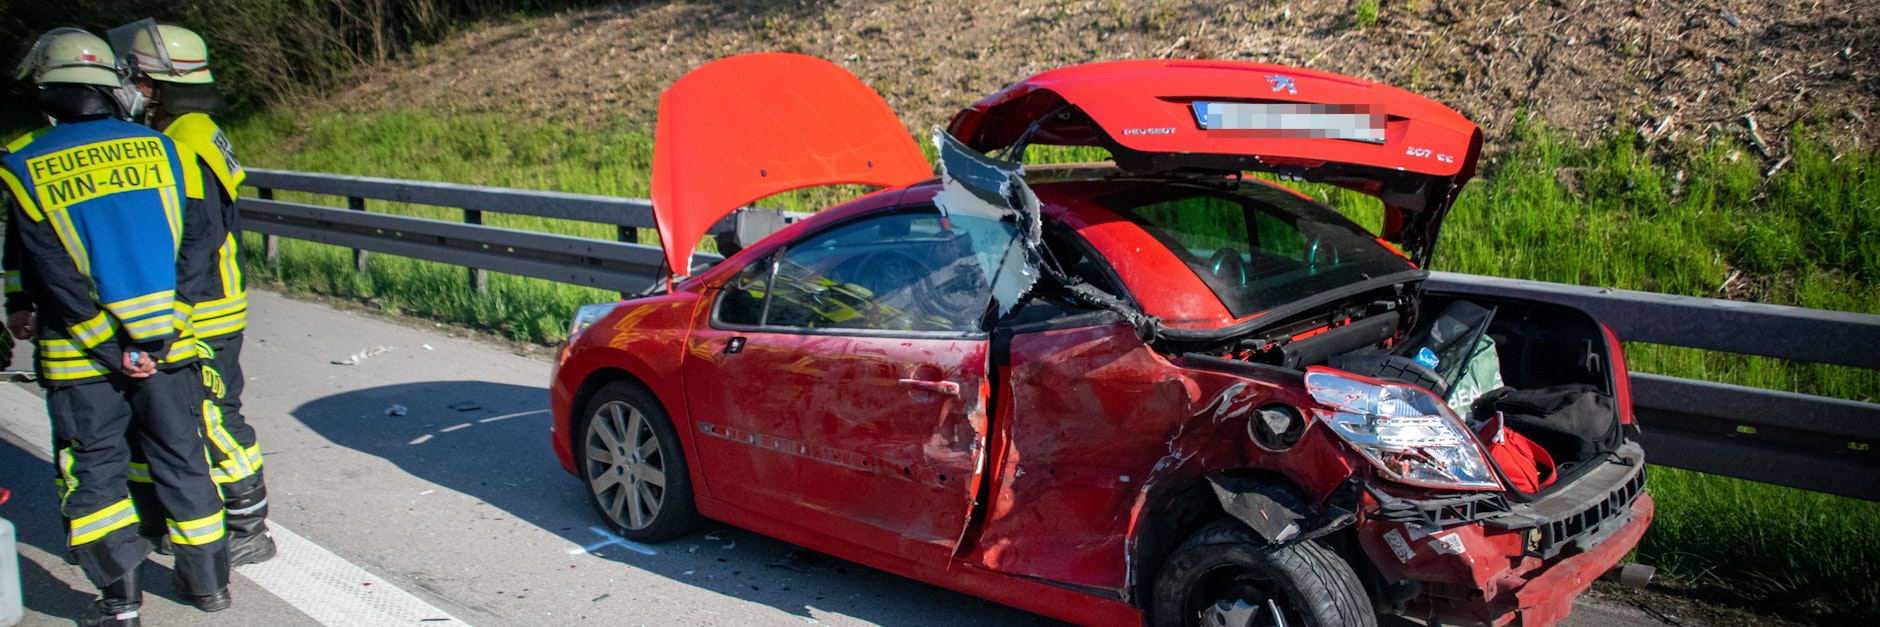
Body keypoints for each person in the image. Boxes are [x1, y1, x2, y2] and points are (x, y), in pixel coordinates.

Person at [2, 28, 230, 626]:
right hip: (169, 344)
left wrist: (109, 346)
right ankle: (210, 587)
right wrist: (163, 329)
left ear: (50, 95)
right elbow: (201, 243)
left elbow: (49, 272)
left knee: (95, 469)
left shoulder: (25, 166)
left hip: (84, 357)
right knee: (184, 458)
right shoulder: (167, 150)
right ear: (112, 89)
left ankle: (120, 602)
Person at [124, 22, 274, 567]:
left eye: (138, 80)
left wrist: (178, 307)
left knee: (214, 415)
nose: (132, 90)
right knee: (195, 414)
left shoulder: (183, 142)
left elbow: (200, 234)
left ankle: (248, 526)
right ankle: (184, 517)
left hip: (205, 306)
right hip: (210, 298)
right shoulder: (198, 129)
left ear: (161, 85)